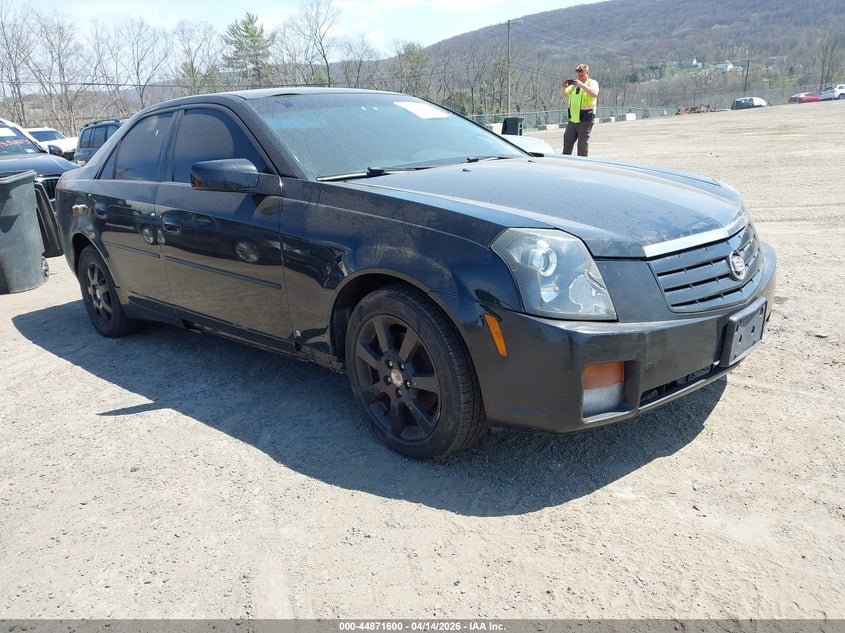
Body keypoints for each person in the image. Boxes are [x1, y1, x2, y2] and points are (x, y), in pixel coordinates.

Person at [561, 63, 599, 156]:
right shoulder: (574, 85)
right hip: (573, 119)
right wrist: (563, 86)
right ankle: (565, 162)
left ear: (587, 73)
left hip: (585, 119)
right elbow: (563, 94)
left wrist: (582, 85)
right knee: (567, 142)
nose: (580, 76)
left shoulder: (592, 83)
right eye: (578, 74)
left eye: (582, 74)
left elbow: (594, 94)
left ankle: (582, 164)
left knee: (582, 144)